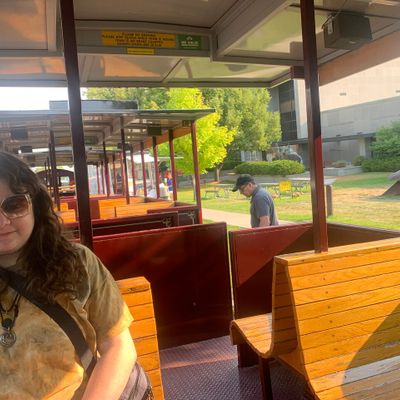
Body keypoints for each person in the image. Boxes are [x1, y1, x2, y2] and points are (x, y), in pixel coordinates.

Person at [0, 152, 137, 399]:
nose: (2, 222)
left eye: (14, 205)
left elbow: (118, 346)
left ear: (35, 205)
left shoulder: (77, 264)